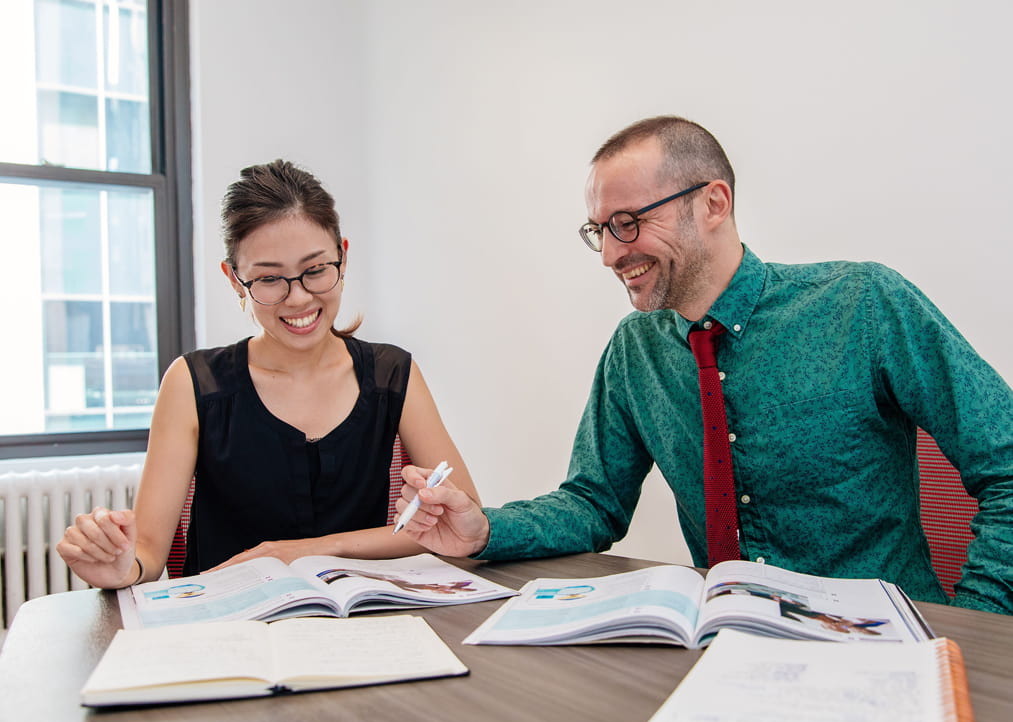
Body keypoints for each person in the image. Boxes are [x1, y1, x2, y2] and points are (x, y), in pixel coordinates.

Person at [398, 115, 1013, 614]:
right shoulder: (635, 348)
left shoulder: (864, 304)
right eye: (599, 231)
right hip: (726, 646)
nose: (612, 254)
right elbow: (592, 503)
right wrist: (485, 531)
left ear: (714, 202)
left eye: (629, 223)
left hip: (884, 648)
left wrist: (981, 626)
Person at [57, 160, 478, 589]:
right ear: (235, 280)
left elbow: (464, 520)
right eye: (269, 278)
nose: (298, 298)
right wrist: (118, 567)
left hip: (360, 624)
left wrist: (303, 551)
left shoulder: (394, 373)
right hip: (228, 630)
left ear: (343, 257)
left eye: (315, 270)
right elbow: (147, 552)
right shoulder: (192, 383)